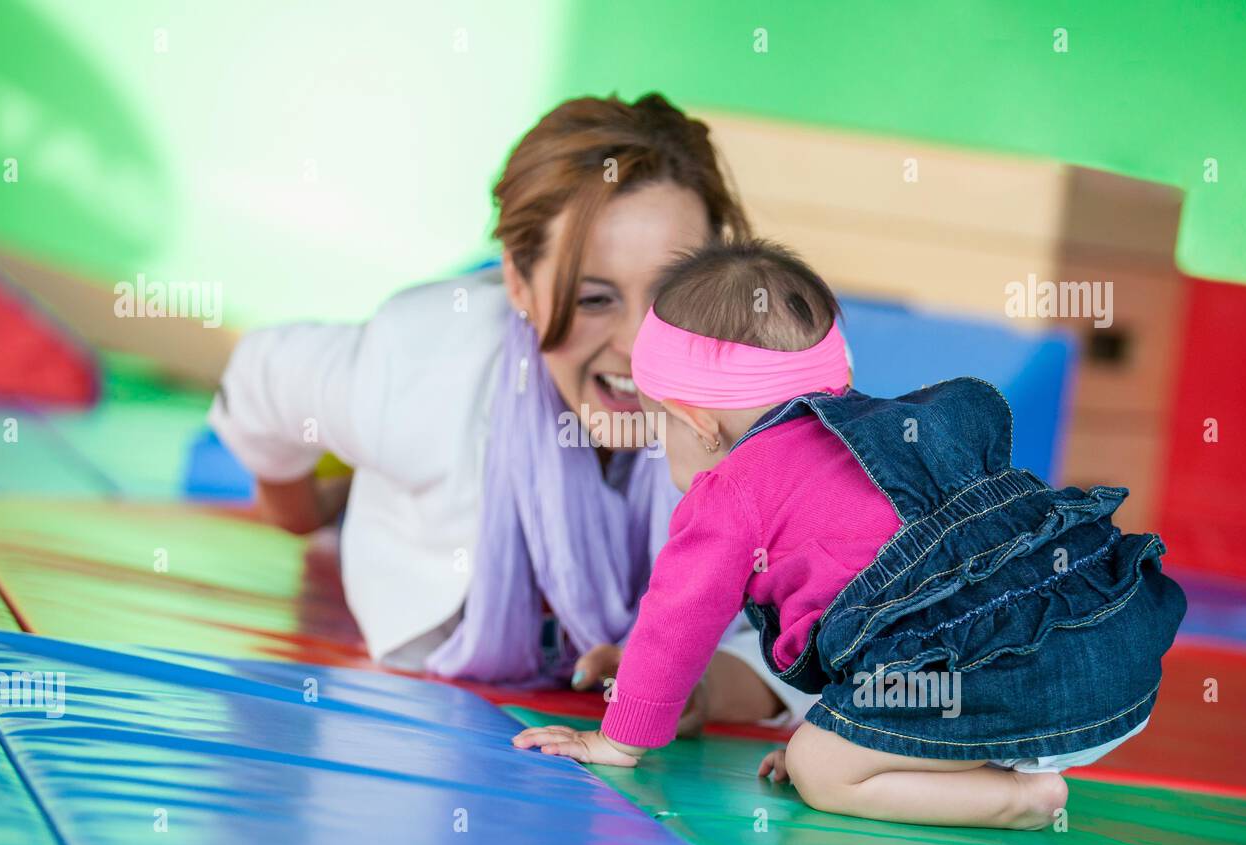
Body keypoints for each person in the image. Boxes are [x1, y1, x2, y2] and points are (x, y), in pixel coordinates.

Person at [514, 238, 1185, 829]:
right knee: (862, 696)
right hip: (1111, 639)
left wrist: (622, 739)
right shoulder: (887, 431)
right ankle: (895, 753)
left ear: (698, 423)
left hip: (1010, 683)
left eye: (661, 426)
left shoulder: (732, 489)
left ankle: (1018, 798)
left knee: (819, 768)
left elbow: (678, 613)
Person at [208, 94, 819, 731]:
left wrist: (704, 685)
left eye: (677, 295)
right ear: (518, 285)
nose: (642, 349)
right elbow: (259, 375)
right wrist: (297, 513)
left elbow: (824, 624)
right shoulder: (414, 369)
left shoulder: (775, 383)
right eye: (594, 298)